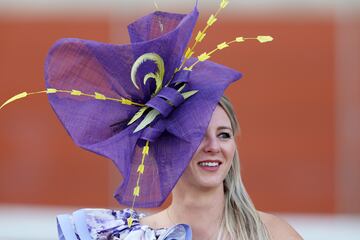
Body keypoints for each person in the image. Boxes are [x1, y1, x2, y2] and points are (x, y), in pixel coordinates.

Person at [1, 0, 301, 239]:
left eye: (224, 134)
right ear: (167, 145)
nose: (213, 146)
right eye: (197, 133)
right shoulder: (128, 236)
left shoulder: (272, 234)